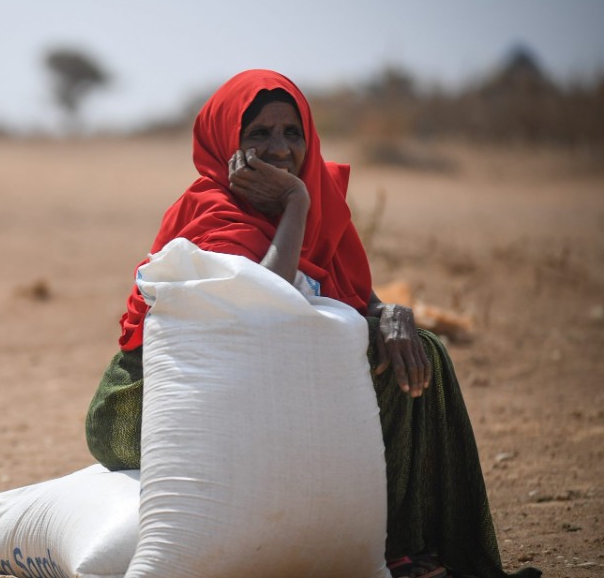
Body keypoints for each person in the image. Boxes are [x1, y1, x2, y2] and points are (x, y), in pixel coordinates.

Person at [84, 70, 541, 578]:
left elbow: (355, 296)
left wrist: (393, 314)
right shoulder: (211, 211)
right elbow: (263, 312)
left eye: (292, 133)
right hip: (147, 407)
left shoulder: (321, 204)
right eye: (259, 134)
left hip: (256, 393)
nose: (280, 150)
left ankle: (416, 550)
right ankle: (393, 551)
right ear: (225, 143)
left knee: (416, 349)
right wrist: (294, 203)